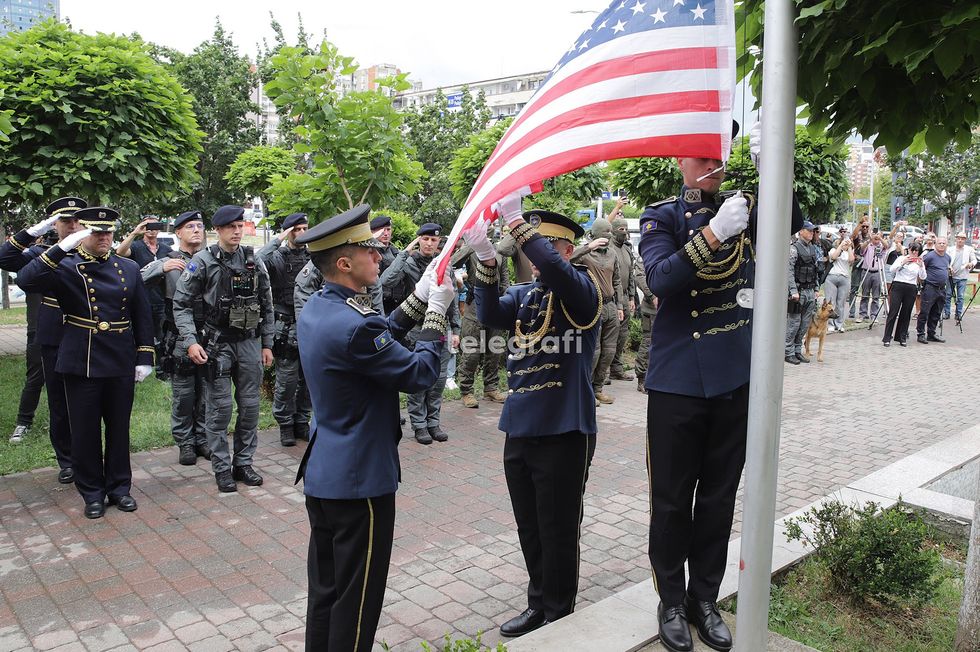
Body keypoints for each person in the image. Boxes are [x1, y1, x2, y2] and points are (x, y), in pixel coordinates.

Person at [639, 121, 803, 652]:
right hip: (678, 382)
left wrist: (772, 170)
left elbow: (796, 224)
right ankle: (670, 600)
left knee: (717, 497)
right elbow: (661, 278)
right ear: (680, 158)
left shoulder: (749, 206)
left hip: (734, 377)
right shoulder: (660, 216)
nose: (711, 159)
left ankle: (703, 600)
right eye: (700, 149)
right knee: (670, 502)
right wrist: (713, 235)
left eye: (719, 149)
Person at [294, 203, 453, 651]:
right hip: (360, 481)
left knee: (327, 591)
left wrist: (418, 297)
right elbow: (418, 373)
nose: (380, 256)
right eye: (369, 250)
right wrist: (436, 314)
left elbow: (376, 333)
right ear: (344, 262)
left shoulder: (321, 309)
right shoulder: (354, 326)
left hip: (327, 473)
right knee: (358, 601)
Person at [463, 200, 601, 637]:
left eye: (540, 245)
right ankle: (538, 601)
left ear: (563, 249)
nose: (529, 253)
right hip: (521, 427)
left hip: (564, 427)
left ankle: (559, 612)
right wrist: (486, 260)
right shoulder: (525, 294)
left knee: (558, 527)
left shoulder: (583, 291)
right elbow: (487, 313)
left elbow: (559, 275)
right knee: (530, 524)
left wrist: (517, 222)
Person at [17, 207, 154, 518]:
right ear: (83, 234)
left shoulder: (128, 268)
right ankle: (92, 492)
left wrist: (144, 355)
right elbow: (25, 279)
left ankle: (120, 488)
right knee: (84, 431)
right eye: (96, 232)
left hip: (119, 357)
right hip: (83, 358)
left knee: (119, 429)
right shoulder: (64, 266)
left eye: (108, 232)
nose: (104, 237)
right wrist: (61, 247)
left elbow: (142, 316)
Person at [172, 205, 275, 493]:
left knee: (251, 407)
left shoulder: (255, 261)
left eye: (240, 225)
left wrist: (267, 344)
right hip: (218, 345)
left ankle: (243, 463)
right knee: (219, 409)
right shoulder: (202, 262)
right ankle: (221, 467)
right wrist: (191, 341)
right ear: (217, 230)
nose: (237, 231)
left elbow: (267, 305)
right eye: (231, 227)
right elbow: (180, 304)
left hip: (250, 344)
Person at [0, 197, 87, 481]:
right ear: (54, 224)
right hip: (54, 335)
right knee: (59, 401)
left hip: (88, 334)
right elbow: (5, 259)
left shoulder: (93, 249)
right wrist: (34, 231)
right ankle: (67, 460)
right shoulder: (42, 254)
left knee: (88, 399)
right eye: (64, 221)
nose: (72, 225)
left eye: (77, 220)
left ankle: (89, 455)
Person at [140, 210, 211, 465]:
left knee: (207, 390)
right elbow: (136, 281)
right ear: (178, 232)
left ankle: (202, 439)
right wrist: (161, 267)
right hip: (179, 335)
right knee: (184, 393)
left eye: (200, 226)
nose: (196, 230)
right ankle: (185, 442)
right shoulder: (168, 259)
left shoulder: (210, 258)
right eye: (190, 226)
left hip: (207, 333)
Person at [381, 223, 460, 444]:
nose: (429, 243)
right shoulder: (409, 263)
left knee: (439, 378)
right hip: (415, 328)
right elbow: (385, 281)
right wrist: (405, 253)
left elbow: (451, 300)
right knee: (419, 378)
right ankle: (419, 425)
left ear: (439, 243)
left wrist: (456, 329)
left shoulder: (444, 266)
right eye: (425, 239)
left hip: (440, 327)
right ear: (418, 240)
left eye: (433, 240)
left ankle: (433, 422)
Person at [257, 213, 312, 447]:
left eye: (305, 229)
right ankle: (285, 424)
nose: (301, 233)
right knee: (287, 380)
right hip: (285, 324)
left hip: (309, 322)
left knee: (309, 379)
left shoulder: (313, 256)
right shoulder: (276, 256)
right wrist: (278, 238)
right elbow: (258, 260)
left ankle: (302, 421)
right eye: (296, 229)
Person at [451, 228, 510, 409]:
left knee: (496, 348)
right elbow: (453, 262)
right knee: (472, 349)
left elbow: (505, 278)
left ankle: (490, 387)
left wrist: (507, 299)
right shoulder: (471, 250)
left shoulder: (499, 252)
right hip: (475, 303)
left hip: (497, 303)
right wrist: (472, 243)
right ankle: (466, 390)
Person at [570, 218, 624, 405]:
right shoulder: (585, 253)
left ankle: (598, 388)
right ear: (595, 234)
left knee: (609, 351)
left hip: (610, 306)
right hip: (592, 305)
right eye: (605, 233)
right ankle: (585, 391)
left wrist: (620, 306)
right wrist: (588, 247)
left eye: (610, 233)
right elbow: (567, 260)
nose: (608, 236)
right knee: (593, 351)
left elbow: (617, 281)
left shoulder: (612, 254)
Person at [117, 216, 173, 371]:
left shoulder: (166, 249)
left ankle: (162, 368)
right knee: (139, 331)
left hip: (161, 298)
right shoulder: (136, 246)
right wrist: (135, 232)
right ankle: (136, 364)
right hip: (140, 298)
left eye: (155, 226)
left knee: (162, 334)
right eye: (148, 225)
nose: (152, 229)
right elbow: (120, 253)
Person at [785, 222, 820, 364]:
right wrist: (793, 290)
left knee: (804, 324)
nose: (812, 233)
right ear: (801, 231)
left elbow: (815, 270)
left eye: (813, 231)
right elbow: (789, 271)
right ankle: (788, 351)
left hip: (810, 290)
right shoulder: (793, 249)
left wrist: (817, 288)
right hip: (798, 292)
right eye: (809, 230)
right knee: (794, 323)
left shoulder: (813, 248)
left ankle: (798, 350)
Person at [609, 214, 637, 381]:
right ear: (613, 231)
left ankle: (617, 368)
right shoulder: (609, 248)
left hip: (625, 296)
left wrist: (632, 297)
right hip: (612, 298)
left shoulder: (626, 249)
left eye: (626, 229)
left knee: (623, 335)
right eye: (621, 229)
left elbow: (631, 275)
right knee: (610, 335)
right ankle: (603, 371)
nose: (624, 232)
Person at [882, 242, 926, 347]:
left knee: (906, 313)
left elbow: (923, 277)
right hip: (898, 285)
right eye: (912, 250)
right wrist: (903, 262)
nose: (914, 253)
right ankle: (887, 337)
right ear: (909, 250)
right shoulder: (901, 258)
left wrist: (921, 267)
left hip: (911, 287)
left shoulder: (920, 262)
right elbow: (892, 270)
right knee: (893, 311)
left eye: (916, 251)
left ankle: (901, 337)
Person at [916, 236, 951, 344]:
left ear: (946, 245)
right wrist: (921, 283)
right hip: (930, 287)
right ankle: (920, 334)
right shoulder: (929, 256)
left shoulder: (948, 257)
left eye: (944, 243)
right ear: (935, 244)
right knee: (925, 311)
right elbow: (920, 268)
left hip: (942, 289)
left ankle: (931, 333)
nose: (941, 245)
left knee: (936, 312)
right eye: (939, 243)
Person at [632, 253, 657, 392]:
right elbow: (640, 277)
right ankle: (642, 377)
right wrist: (652, 295)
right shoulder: (646, 255)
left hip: (669, 307)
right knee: (648, 341)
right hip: (651, 308)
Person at [369, 213, 401, 314]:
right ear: (373, 232)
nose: (386, 233)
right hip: (376, 304)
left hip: (396, 306)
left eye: (388, 229)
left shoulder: (396, 253)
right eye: (382, 230)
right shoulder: (369, 252)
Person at [823, 232, 853, 333]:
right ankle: (830, 324)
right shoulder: (833, 250)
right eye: (842, 243)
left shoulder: (848, 252)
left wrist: (849, 248)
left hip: (844, 278)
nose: (845, 245)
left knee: (841, 303)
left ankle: (839, 324)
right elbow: (834, 257)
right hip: (832, 277)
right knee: (831, 302)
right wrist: (840, 246)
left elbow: (851, 260)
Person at [856, 230, 887, 323]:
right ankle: (862, 314)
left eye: (878, 236)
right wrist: (870, 239)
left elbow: (887, 245)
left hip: (877, 272)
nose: (876, 238)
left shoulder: (881, 246)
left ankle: (874, 315)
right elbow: (862, 249)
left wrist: (880, 237)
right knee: (865, 294)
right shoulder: (868, 245)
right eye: (875, 236)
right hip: (867, 271)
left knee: (876, 296)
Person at [946, 232, 976, 320]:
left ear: (965, 240)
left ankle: (958, 314)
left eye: (962, 239)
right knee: (948, 295)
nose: (960, 240)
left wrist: (970, 264)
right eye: (959, 238)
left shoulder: (969, 249)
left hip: (963, 276)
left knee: (961, 296)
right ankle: (946, 313)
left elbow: (974, 260)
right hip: (951, 276)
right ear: (956, 239)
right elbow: (946, 260)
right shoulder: (950, 249)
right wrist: (949, 267)